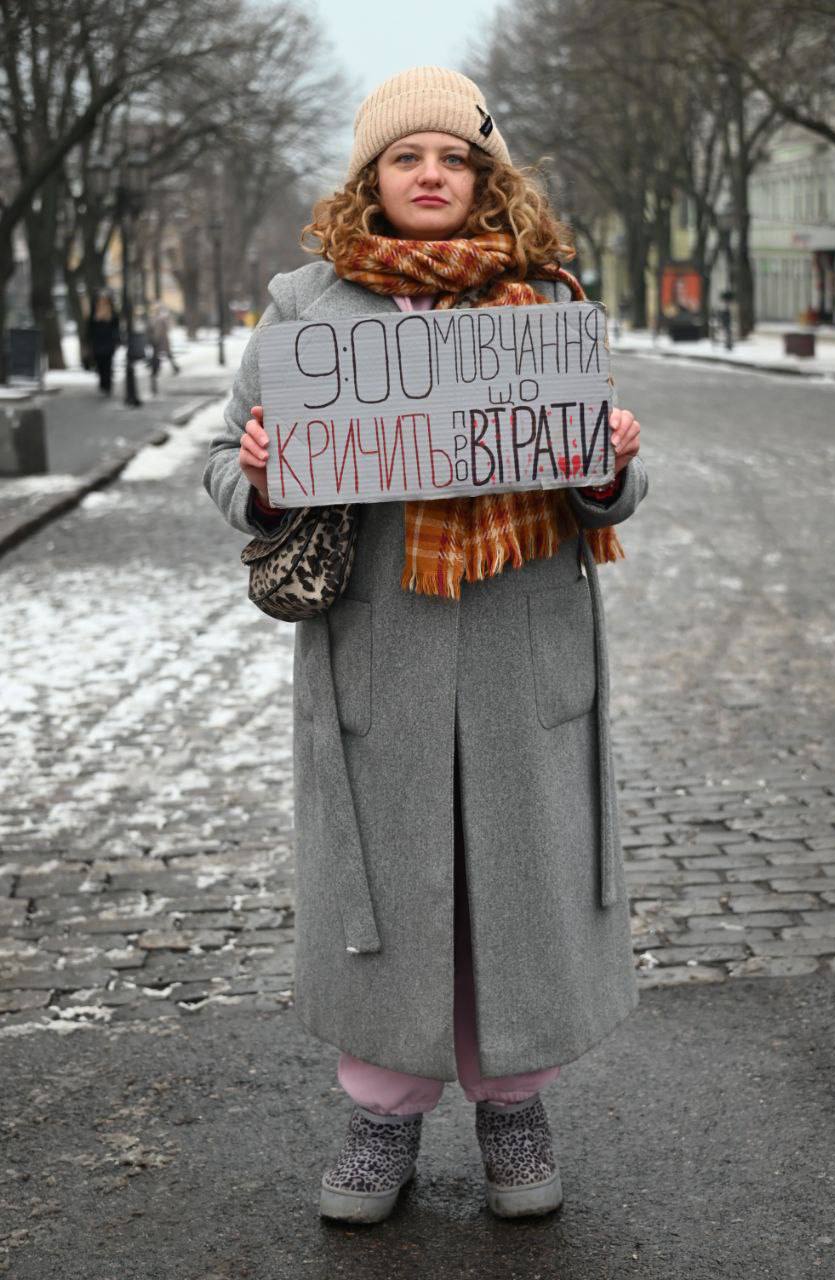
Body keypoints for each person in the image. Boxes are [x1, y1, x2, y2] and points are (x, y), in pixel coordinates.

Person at [202, 66, 647, 1224]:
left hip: (518, 643)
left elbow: (607, 479)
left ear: (483, 175)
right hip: (379, 649)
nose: (431, 174)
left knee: (517, 874)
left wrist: (606, 458)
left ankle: (513, 1100)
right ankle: (380, 1111)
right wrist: (254, 473)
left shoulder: (545, 300)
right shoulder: (304, 312)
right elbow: (220, 464)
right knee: (388, 882)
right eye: (407, 158)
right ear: (372, 178)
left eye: (453, 157)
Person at [87, 291, 121, 396]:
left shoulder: (112, 314)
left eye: (104, 300)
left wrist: (116, 340)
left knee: (108, 364)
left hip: (108, 343)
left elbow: (116, 327)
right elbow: (90, 328)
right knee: (100, 364)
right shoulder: (94, 313)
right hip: (97, 343)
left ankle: (108, 385)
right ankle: (103, 383)